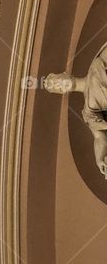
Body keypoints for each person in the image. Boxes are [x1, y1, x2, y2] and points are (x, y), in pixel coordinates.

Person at [45, 45, 107, 178]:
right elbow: (99, 136)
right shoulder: (89, 111)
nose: (60, 84)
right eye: (58, 87)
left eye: (58, 80)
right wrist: (99, 158)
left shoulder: (96, 66)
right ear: (63, 91)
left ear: (65, 74)